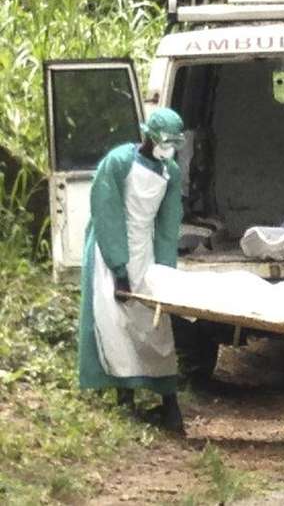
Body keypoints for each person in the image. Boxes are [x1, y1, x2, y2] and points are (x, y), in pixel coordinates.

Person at [78, 108, 186, 434]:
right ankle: (125, 400)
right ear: (148, 137)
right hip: (110, 252)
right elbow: (106, 213)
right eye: (163, 141)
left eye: (172, 143)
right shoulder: (118, 162)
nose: (167, 148)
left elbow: (169, 224)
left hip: (145, 250)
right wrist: (118, 267)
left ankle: (169, 405)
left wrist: (165, 272)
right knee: (113, 321)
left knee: (153, 324)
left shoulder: (171, 172)